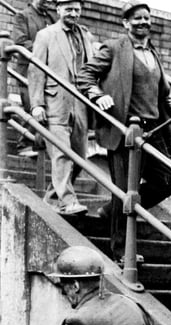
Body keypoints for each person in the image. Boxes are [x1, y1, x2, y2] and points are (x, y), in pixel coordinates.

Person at [77, 0, 171, 262]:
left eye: (147, 18)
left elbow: (157, 89)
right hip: (124, 131)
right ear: (125, 23)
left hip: (153, 130)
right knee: (125, 189)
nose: (143, 22)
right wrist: (97, 94)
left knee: (167, 182)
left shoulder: (153, 53)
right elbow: (85, 75)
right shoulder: (113, 48)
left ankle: (111, 210)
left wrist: (167, 100)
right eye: (137, 19)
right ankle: (121, 251)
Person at [28, 0, 94, 215]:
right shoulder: (46, 35)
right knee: (61, 154)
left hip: (80, 104)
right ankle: (68, 201)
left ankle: (51, 198)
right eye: (68, 9)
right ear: (58, 10)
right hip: (55, 103)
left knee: (80, 157)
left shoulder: (86, 36)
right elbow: (36, 71)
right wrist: (36, 104)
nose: (73, 13)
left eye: (76, 9)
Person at [11, 0, 56, 157]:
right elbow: (20, 41)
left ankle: (37, 144)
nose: (48, 3)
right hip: (27, 70)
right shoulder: (22, 16)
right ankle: (24, 144)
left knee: (44, 107)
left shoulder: (52, 18)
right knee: (32, 105)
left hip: (47, 72)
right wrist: (44, 48)